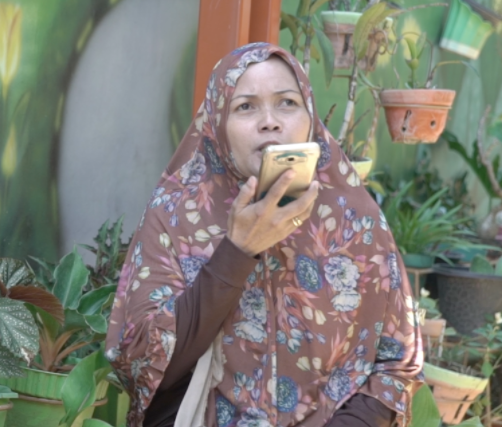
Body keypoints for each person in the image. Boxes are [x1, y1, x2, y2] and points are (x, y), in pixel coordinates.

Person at [105, 43, 423, 427]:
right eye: (245, 107)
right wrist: (238, 250)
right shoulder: (174, 215)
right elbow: (147, 368)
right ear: (217, 124)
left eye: (287, 103)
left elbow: (395, 364)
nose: (269, 121)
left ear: (311, 118)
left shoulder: (355, 218)